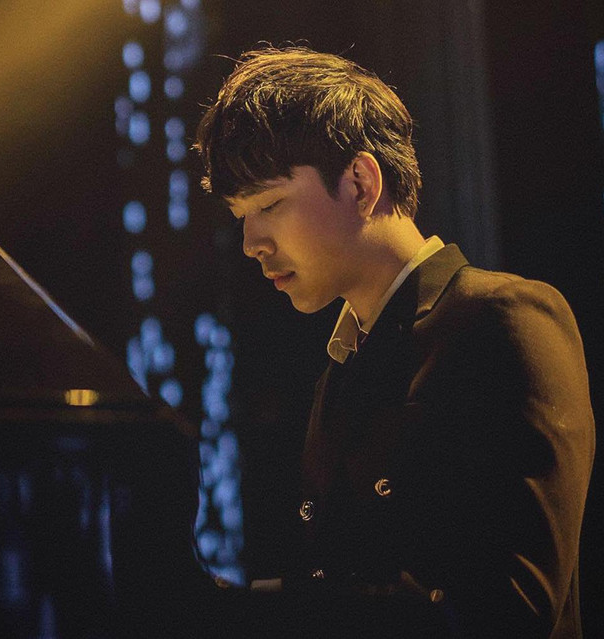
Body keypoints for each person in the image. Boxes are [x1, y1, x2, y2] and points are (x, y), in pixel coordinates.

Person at [194, 46, 595, 638]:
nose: (252, 242)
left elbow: (510, 608)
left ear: (361, 182)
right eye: (241, 217)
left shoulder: (505, 317)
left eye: (270, 204)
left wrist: (251, 609)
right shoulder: (340, 365)